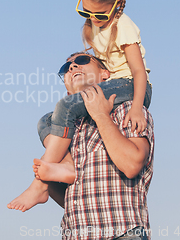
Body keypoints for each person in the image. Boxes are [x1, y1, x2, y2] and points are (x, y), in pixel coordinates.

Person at [7, 0, 152, 212]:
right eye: (86, 12)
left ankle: (38, 185)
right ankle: (66, 166)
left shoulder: (124, 28)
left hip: (132, 85)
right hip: (81, 230)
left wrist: (137, 107)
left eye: (84, 61)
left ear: (117, 4)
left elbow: (138, 71)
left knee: (63, 109)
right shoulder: (71, 123)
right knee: (47, 120)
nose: (94, 18)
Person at [38, 52, 154, 240]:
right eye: (65, 68)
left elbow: (132, 165)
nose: (72, 67)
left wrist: (100, 115)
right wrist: (45, 180)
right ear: (67, 90)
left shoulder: (128, 110)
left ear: (106, 74)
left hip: (122, 233)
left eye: (82, 61)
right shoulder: (65, 131)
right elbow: (70, 196)